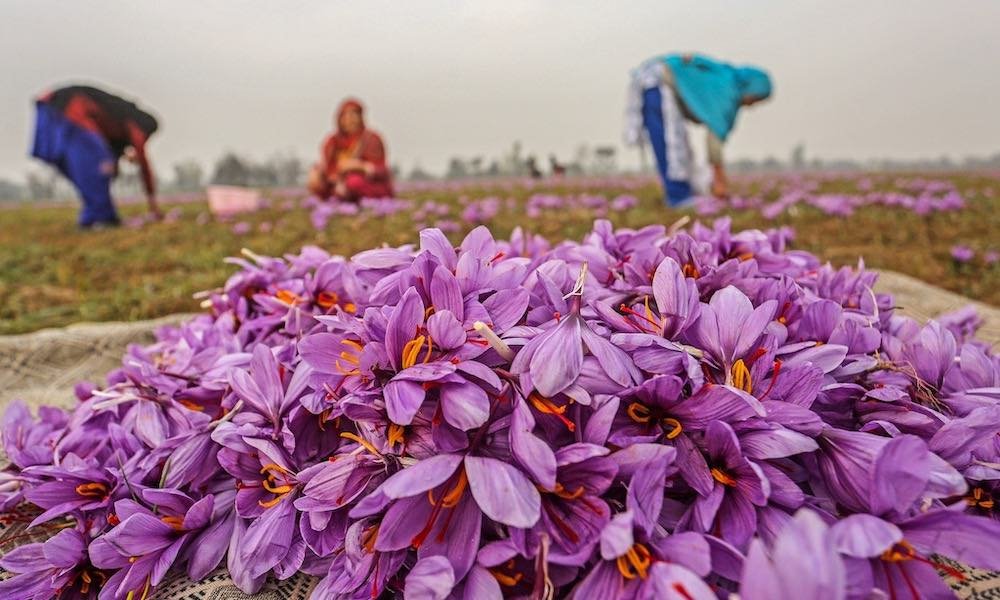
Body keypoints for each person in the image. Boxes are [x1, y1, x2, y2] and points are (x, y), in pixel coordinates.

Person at [625, 53, 772, 207]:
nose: (752, 105)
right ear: (750, 87)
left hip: (652, 78)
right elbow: (714, 140)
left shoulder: (723, 77)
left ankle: (680, 194)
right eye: (756, 99)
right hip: (658, 84)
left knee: (675, 145)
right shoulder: (727, 93)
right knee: (671, 147)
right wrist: (719, 180)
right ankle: (678, 197)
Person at [31, 84, 160, 228]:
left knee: (82, 167)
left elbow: (109, 153)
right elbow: (143, 164)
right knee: (100, 164)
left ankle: (94, 217)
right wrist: (153, 203)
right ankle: (102, 219)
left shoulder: (112, 125)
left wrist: (115, 163)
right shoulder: (137, 122)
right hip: (72, 108)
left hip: (48, 110)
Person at [308, 98, 393, 202]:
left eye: (353, 115)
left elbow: (383, 171)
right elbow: (326, 167)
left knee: (354, 182)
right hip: (338, 184)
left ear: (361, 117)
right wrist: (317, 172)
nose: (349, 120)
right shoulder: (332, 141)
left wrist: (361, 167)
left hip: (366, 185)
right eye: (345, 116)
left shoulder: (371, 139)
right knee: (317, 182)